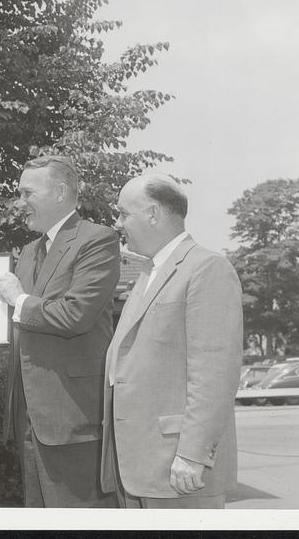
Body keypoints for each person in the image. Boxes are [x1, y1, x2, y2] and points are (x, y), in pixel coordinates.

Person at [101, 173, 243, 508]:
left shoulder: (208, 268)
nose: (118, 224)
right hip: (139, 467)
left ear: (152, 214)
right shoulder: (150, 274)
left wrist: (193, 454)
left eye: (124, 214)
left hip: (180, 471)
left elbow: (214, 374)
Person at [0, 155, 120, 507]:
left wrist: (19, 300)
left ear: (61, 192)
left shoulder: (97, 240)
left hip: (73, 420)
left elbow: (74, 315)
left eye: (27, 193)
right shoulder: (30, 252)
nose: (20, 203)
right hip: (30, 421)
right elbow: (13, 322)